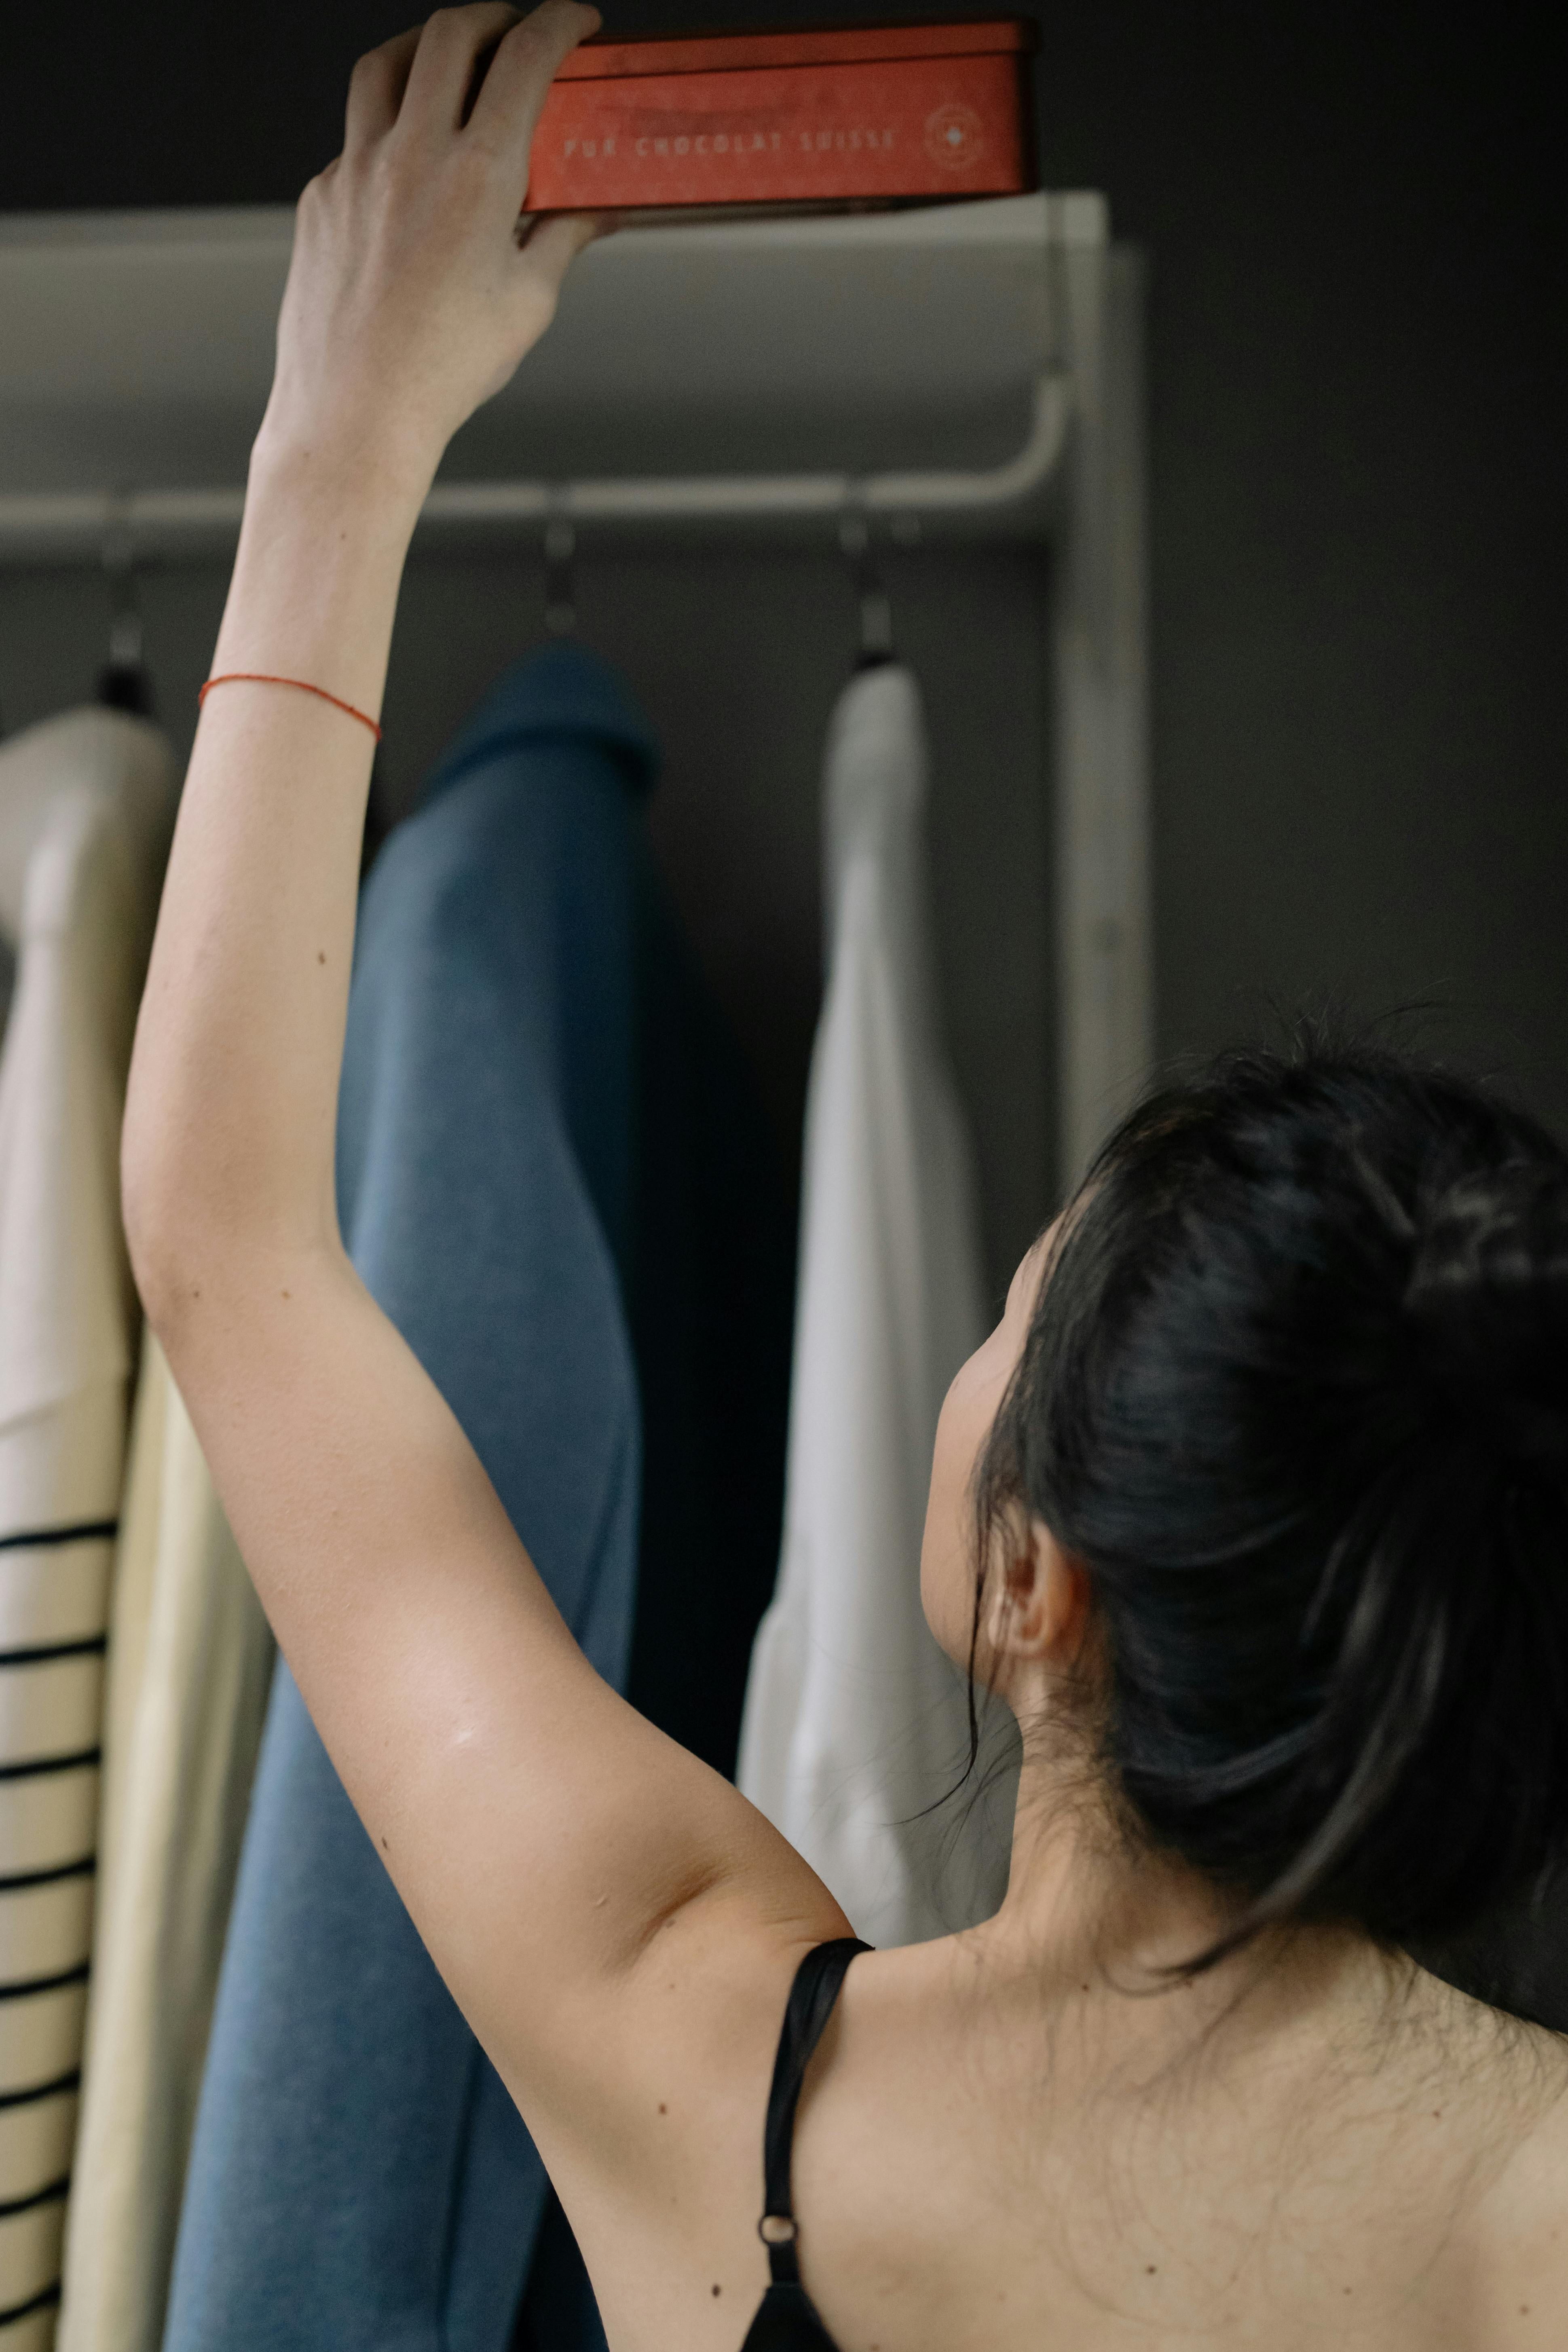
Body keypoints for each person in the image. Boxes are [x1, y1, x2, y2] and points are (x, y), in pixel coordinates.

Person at [119, 6, 1568, 2345]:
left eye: (1010, 1314)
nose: (975, 1346)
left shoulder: (705, 2075)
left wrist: (340, 435)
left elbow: (228, 1245)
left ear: (1042, 1588)